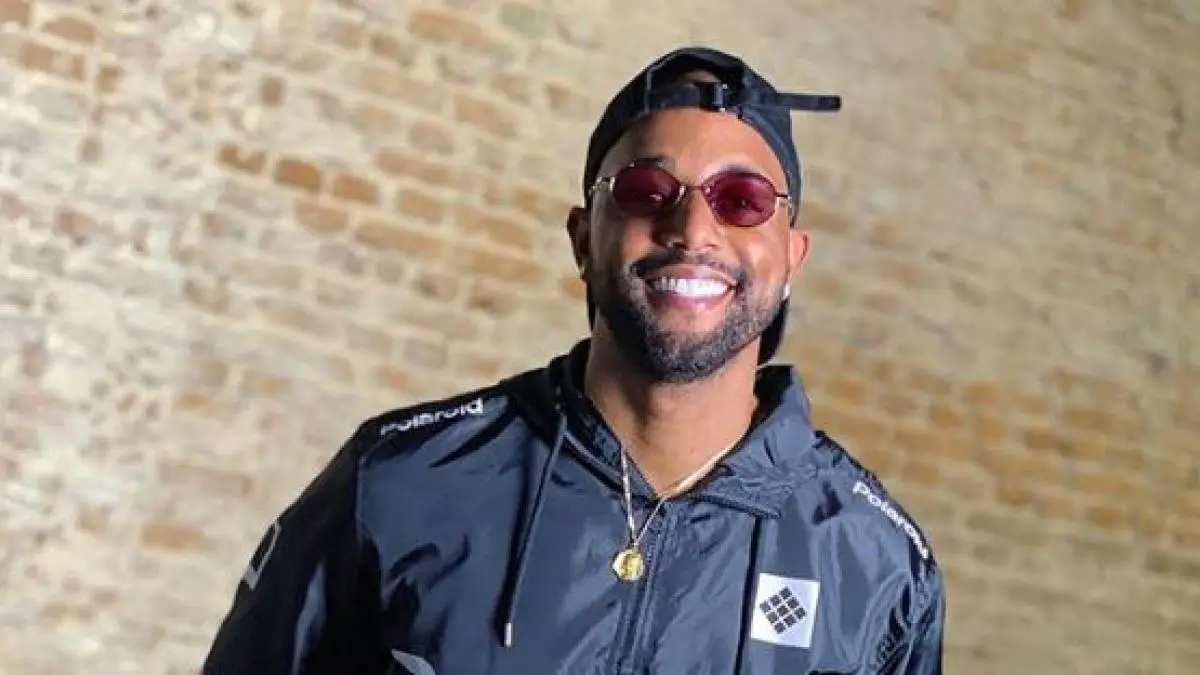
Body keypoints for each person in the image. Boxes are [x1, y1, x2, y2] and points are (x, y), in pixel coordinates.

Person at [201, 46, 946, 675]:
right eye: (647, 189)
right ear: (584, 239)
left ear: (791, 259)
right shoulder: (404, 479)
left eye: (742, 200)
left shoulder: (878, 567)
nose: (692, 228)